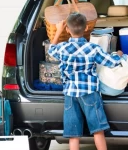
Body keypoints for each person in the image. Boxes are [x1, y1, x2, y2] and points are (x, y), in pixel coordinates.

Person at [48, 12, 123, 150]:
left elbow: (51, 51)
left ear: (67, 29)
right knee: (98, 129)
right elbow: (112, 63)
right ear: (87, 28)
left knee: (73, 134)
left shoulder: (62, 48)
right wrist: (119, 55)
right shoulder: (93, 48)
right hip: (89, 92)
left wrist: (58, 31)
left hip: (70, 93)